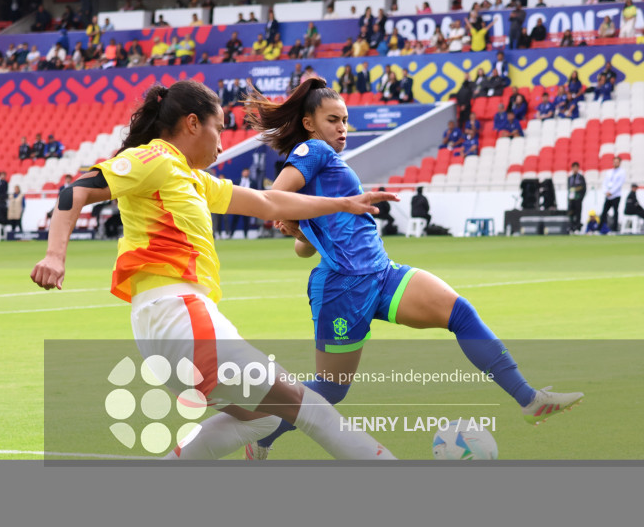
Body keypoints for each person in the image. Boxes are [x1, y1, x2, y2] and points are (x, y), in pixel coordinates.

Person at [30, 80, 398, 461]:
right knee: (306, 406)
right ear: (192, 123)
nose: (222, 144)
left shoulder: (191, 178)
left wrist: (342, 203)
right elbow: (75, 191)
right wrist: (55, 256)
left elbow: (268, 202)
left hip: (162, 327)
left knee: (264, 418)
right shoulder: (154, 160)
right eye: (218, 129)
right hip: (181, 316)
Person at [242, 78, 583, 459]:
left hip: (382, 273)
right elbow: (273, 197)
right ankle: (259, 431)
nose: (342, 129)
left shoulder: (328, 162)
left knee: (460, 312)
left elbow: (303, 248)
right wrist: (287, 214)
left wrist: (300, 227)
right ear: (309, 123)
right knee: (332, 388)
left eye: (346, 120)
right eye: (333, 119)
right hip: (344, 287)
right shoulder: (314, 149)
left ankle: (528, 398)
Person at [600, 156, 626, 232]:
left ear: (620, 163)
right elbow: (605, 183)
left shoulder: (622, 172)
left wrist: (611, 192)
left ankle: (614, 229)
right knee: (604, 212)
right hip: (608, 196)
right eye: (614, 162)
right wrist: (606, 191)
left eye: (617, 162)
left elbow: (619, 184)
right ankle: (601, 228)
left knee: (615, 212)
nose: (615, 163)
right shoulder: (609, 172)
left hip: (616, 195)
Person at [567, 162, 587, 233]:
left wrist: (581, 198)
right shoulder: (570, 178)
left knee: (578, 214)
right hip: (571, 199)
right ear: (572, 168)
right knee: (571, 214)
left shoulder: (581, 178)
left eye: (576, 167)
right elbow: (569, 189)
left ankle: (577, 228)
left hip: (578, 199)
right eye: (574, 167)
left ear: (578, 168)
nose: (575, 169)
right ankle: (571, 227)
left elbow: (584, 189)